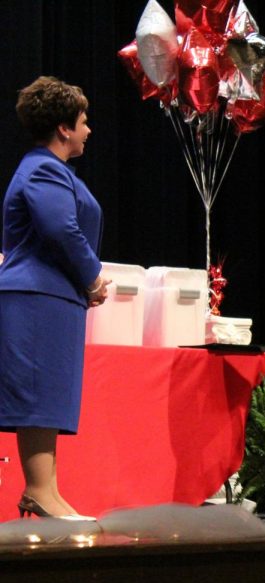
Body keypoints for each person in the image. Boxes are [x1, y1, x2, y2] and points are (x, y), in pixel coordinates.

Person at [0, 76, 109, 520]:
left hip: (49, 297)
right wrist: (93, 278)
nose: (88, 130)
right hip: (36, 295)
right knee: (37, 395)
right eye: (83, 122)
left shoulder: (51, 170)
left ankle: (47, 490)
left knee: (47, 396)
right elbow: (61, 229)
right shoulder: (44, 168)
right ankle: (40, 489)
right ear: (63, 128)